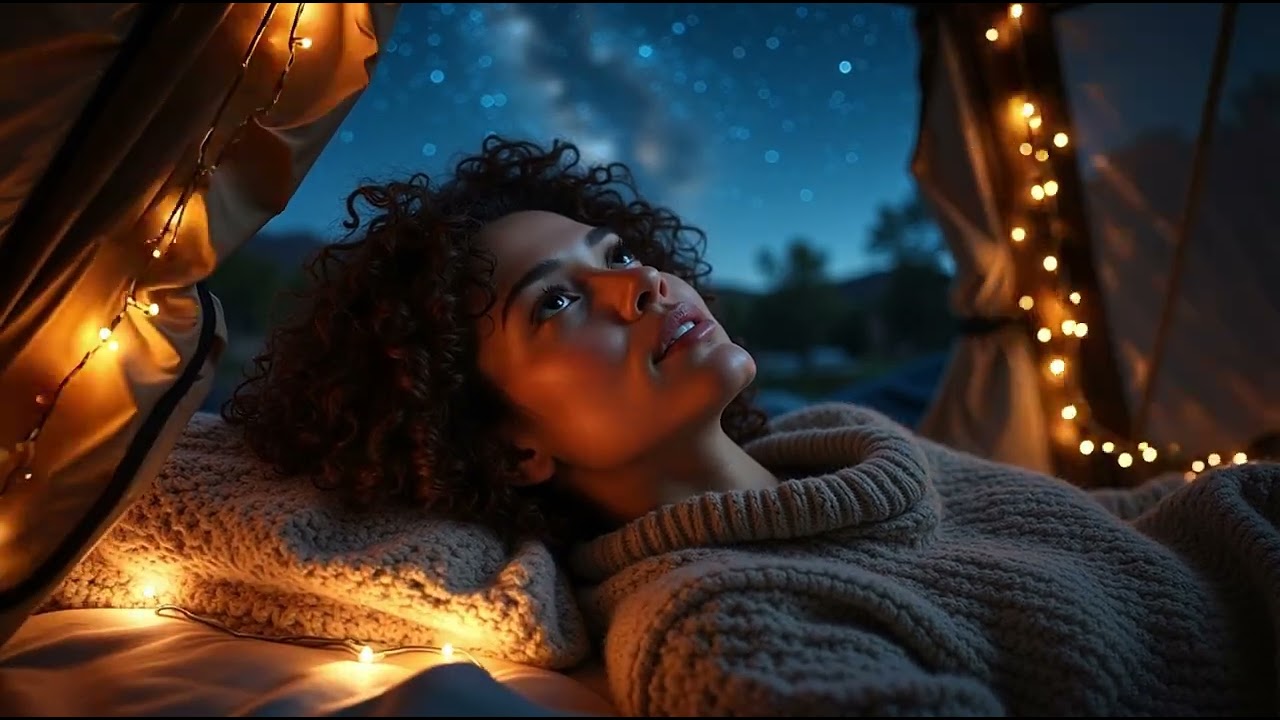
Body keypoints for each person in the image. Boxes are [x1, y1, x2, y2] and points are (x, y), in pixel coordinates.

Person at [223, 136, 1280, 717]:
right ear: (509, 445)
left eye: (613, 252)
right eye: (558, 301)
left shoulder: (843, 435)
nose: (638, 283)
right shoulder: (715, 625)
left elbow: (1117, 527)